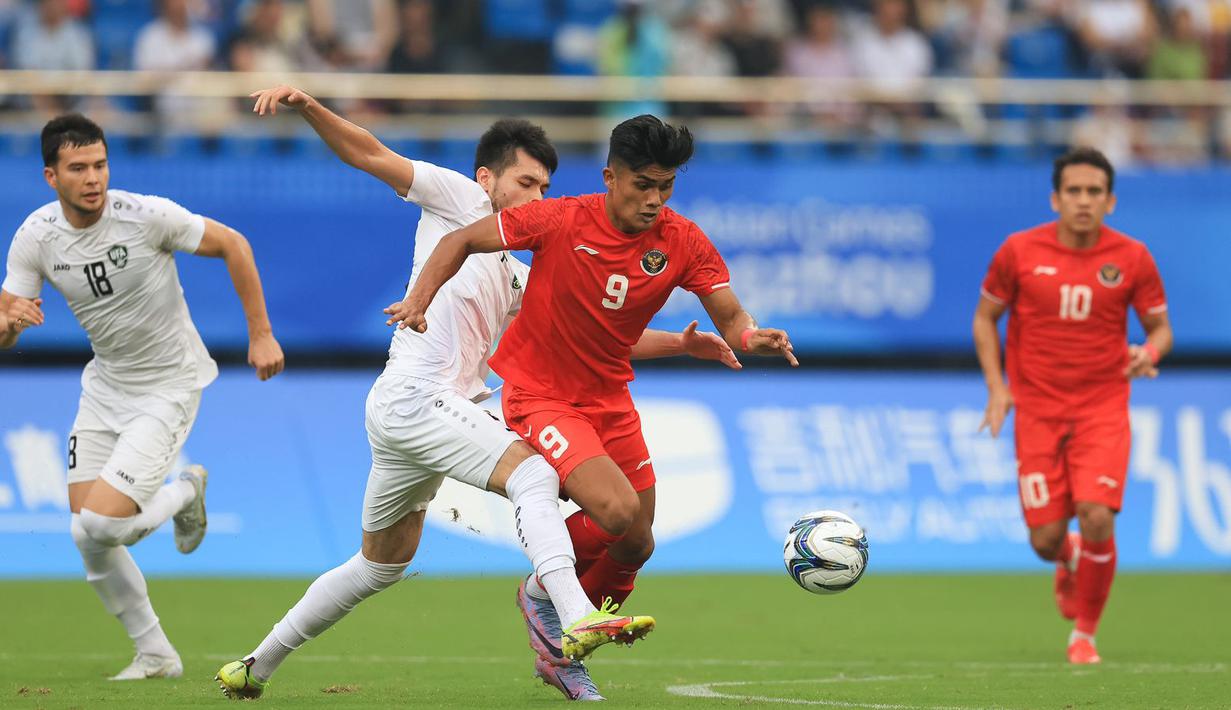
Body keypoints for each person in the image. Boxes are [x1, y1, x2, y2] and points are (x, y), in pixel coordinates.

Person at [217, 88, 740, 702]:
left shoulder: (518, 269)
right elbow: (367, 153)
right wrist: (308, 107)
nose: (537, 198)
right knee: (536, 476)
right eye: (526, 183)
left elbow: (594, 339)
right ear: (488, 178)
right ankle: (572, 617)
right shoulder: (459, 200)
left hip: (440, 414)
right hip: (414, 399)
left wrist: (682, 343)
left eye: (546, 187)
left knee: (377, 566)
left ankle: (254, 666)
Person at [385, 113, 797, 696]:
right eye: (643, 185)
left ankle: (558, 638)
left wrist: (752, 337)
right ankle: (547, 604)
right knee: (617, 512)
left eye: (667, 186)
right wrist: (418, 300)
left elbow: (732, 320)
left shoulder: (682, 240)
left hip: (609, 397)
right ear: (611, 177)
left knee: (638, 540)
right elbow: (458, 240)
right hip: (540, 394)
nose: (655, 199)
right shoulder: (559, 218)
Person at [0, 114, 285, 680]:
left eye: (100, 164)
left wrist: (260, 333)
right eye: (78, 168)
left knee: (101, 527)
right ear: (50, 176)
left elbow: (234, 243)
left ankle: (185, 491)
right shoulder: (36, 235)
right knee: (88, 535)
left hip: (169, 386)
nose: (93, 178)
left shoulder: (145, 215)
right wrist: (10, 325)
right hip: (105, 387)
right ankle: (156, 654)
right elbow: (4, 332)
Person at [973, 147, 1172, 665]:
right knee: (1045, 539)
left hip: (1102, 406)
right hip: (1037, 409)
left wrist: (1148, 352)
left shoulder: (1133, 257)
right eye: (1074, 192)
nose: (1084, 201)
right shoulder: (1019, 251)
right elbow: (984, 319)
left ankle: (1084, 634)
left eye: (1094, 192)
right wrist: (998, 388)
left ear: (1110, 201)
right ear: (1056, 198)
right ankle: (1069, 556)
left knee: (1097, 514)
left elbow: (1160, 329)